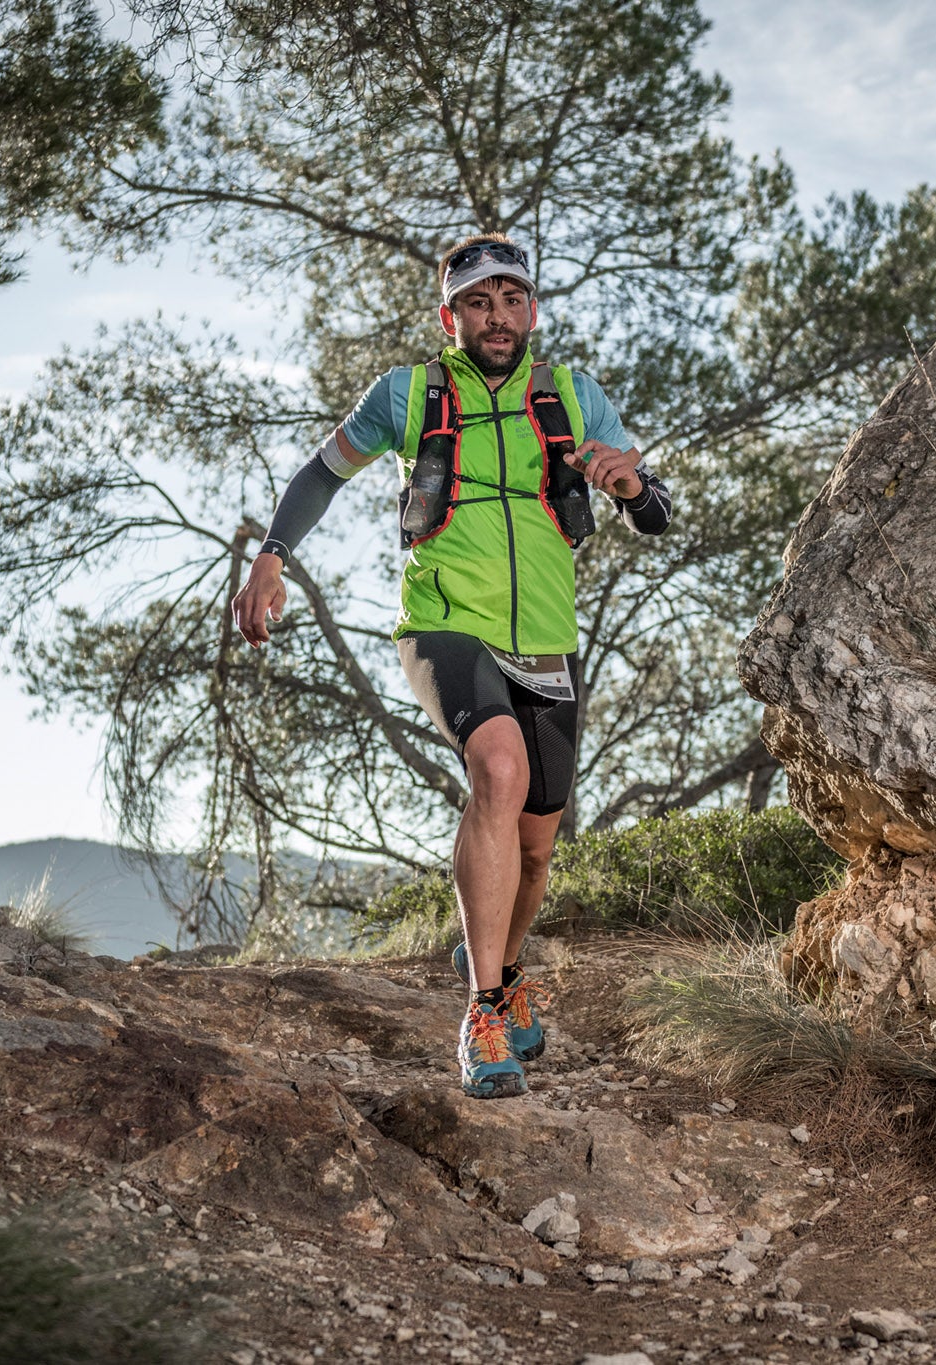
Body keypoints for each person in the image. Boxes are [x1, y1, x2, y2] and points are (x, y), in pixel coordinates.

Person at [231, 235, 672, 1099]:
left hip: (545, 634)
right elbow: (322, 474)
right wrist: (272, 556)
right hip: (441, 622)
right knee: (497, 772)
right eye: (479, 302)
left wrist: (628, 485)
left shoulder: (576, 397)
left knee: (540, 844)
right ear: (451, 317)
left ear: (532, 312)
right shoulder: (407, 394)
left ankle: (506, 980)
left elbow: (653, 509)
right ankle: (479, 1014)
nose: (497, 316)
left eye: (512, 300)